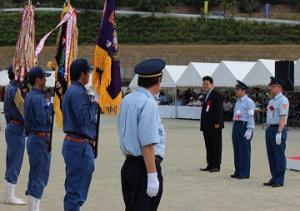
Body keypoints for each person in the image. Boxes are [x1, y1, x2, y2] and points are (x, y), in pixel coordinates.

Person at [118, 59, 166, 211]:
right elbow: (148, 144)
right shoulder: (148, 103)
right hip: (145, 166)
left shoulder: (127, 99)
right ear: (158, 81)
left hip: (129, 164)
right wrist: (152, 175)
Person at [62, 59, 100, 211]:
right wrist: (95, 104)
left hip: (76, 145)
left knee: (74, 191)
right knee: (76, 193)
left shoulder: (73, 90)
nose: (90, 75)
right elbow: (84, 118)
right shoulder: (78, 92)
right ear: (82, 74)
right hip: (80, 146)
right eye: (88, 72)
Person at [24, 67, 52, 210]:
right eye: (44, 78)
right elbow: (42, 119)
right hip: (40, 139)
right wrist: (51, 106)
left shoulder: (30, 95)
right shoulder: (39, 98)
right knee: (40, 177)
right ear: (37, 80)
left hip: (34, 138)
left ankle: (33, 208)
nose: (46, 80)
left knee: (35, 175)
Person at [3, 65, 26, 205]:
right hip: (16, 127)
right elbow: (23, 108)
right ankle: (10, 196)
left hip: (13, 127)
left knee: (12, 160)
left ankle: (9, 194)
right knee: (15, 162)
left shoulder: (10, 88)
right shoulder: (14, 90)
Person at [264, 77, 289, 188]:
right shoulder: (272, 100)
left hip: (278, 129)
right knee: (271, 155)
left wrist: (279, 132)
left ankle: (279, 179)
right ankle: (274, 176)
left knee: (279, 155)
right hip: (270, 129)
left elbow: (282, 118)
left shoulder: (283, 100)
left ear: (278, 87)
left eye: (272, 86)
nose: (270, 88)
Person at [231, 81, 255, 179]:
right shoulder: (238, 101)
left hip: (244, 126)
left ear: (243, 90)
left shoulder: (249, 102)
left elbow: (251, 116)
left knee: (244, 150)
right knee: (236, 149)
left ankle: (244, 172)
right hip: (236, 125)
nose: (236, 91)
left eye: (238, 89)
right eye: (236, 89)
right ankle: (238, 170)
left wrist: (250, 129)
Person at [200, 76, 224, 172]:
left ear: (212, 84)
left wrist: (218, 122)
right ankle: (210, 163)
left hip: (215, 125)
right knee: (209, 145)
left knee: (216, 145)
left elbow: (218, 109)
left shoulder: (216, 94)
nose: (204, 86)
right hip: (206, 125)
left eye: (206, 84)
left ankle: (216, 165)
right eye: (203, 84)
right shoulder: (206, 95)